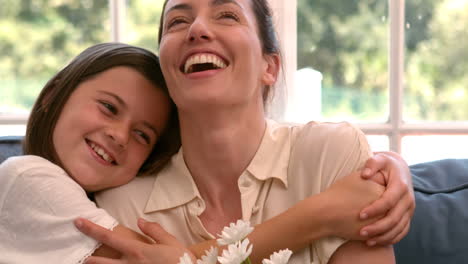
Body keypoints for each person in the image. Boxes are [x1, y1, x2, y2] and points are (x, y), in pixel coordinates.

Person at [75, 0, 414, 263]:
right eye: (178, 21)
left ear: (270, 67)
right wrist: (318, 218)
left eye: (227, 15)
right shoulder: (123, 203)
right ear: (166, 72)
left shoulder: (330, 155)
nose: (197, 29)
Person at [0, 43, 189, 263]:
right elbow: (160, 259)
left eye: (142, 134)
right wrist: (239, 237)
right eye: (109, 107)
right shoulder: (27, 176)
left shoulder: (116, 205)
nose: (120, 136)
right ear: (52, 95)